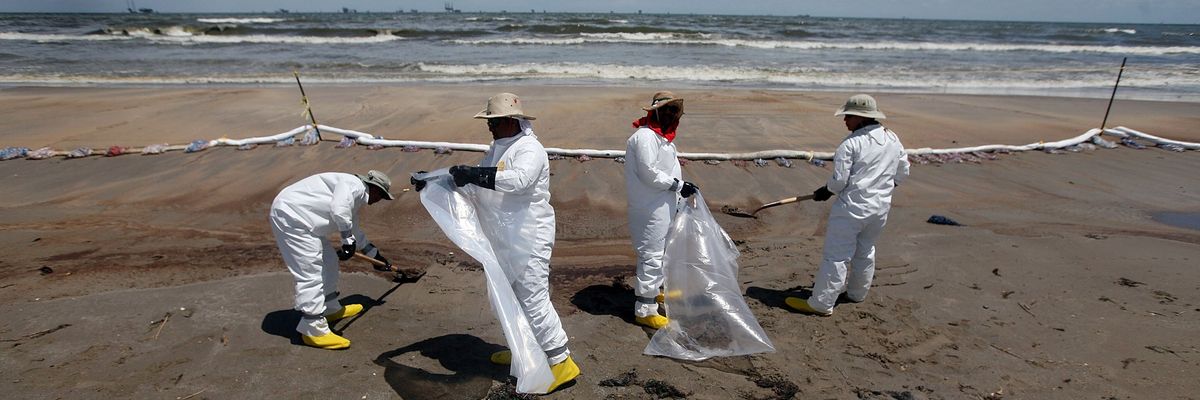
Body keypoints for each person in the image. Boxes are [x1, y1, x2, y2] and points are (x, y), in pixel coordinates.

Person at [414, 93, 579, 393]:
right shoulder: (497, 149)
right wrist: (433, 180)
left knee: (533, 297)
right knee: (512, 297)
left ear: (508, 120)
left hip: (531, 237)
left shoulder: (530, 149)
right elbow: (476, 183)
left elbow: (517, 181)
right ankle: (523, 352)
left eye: (492, 121)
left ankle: (560, 359)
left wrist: (473, 173)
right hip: (507, 237)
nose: (488, 126)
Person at [786, 94, 910, 317]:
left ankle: (822, 304)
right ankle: (856, 293)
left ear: (861, 118)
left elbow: (839, 182)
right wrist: (881, 188)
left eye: (848, 116)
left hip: (851, 209)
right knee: (866, 250)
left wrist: (825, 191)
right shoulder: (892, 138)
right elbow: (902, 172)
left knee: (836, 256)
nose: (845, 121)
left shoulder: (850, 144)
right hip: (880, 208)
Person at [269, 170, 395, 349]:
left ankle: (329, 307)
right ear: (375, 189)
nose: (378, 202)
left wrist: (374, 254)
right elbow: (339, 208)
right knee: (310, 272)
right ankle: (312, 329)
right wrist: (346, 239)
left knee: (329, 261)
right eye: (381, 196)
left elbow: (353, 226)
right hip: (292, 218)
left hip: (305, 223)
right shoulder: (355, 185)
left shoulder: (354, 193)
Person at [624, 91, 698, 330]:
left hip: (663, 205)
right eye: (665, 109)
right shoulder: (645, 137)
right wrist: (678, 185)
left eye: (673, 110)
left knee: (661, 252)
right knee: (651, 254)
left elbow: (667, 171)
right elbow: (649, 173)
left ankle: (654, 292)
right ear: (653, 110)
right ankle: (645, 309)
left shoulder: (665, 140)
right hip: (649, 207)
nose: (669, 114)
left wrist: (681, 191)